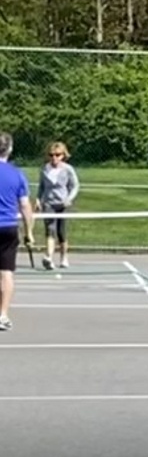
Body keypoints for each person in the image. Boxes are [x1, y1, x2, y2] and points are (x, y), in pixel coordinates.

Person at [0, 132, 37, 332]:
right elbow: (25, 206)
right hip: (8, 227)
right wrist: (29, 231)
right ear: (10, 149)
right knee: (6, 273)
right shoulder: (17, 174)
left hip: (5, 226)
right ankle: (2, 315)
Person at [36, 141, 79, 270]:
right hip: (49, 204)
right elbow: (42, 187)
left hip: (62, 204)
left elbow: (75, 186)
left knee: (61, 233)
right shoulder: (45, 169)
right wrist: (38, 199)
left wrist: (69, 198)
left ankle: (64, 257)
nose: (54, 158)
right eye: (51, 155)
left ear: (63, 155)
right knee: (50, 230)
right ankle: (48, 257)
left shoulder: (68, 169)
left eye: (57, 155)